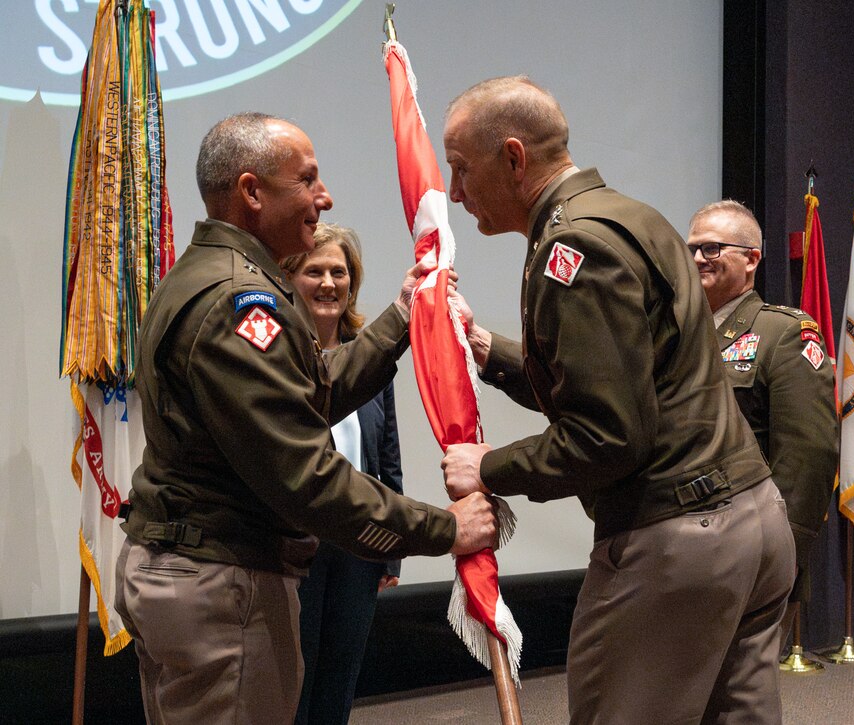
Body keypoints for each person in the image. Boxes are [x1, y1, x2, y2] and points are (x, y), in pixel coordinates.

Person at [115, 112, 498, 725]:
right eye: (308, 180)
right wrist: (444, 529)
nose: (325, 198)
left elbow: (309, 395)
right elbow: (305, 472)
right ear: (251, 192)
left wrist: (401, 317)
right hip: (224, 584)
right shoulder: (239, 305)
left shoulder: (210, 276)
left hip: (200, 570)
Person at [439, 77, 795, 724]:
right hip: (752, 525)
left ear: (514, 159)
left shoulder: (570, 248)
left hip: (677, 539)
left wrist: (487, 468)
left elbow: (608, 434)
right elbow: (634, 376)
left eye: (462, 170)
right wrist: (489, 351)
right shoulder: (632, 216)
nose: (455, 192)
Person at [688, 200, 839, 645]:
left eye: (712, 248)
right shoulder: (679, 337)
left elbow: (808, 457)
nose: (698, 258)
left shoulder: (783, 333)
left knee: (740, 696)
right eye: (692, 248)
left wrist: (782, 559)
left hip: (751, 552)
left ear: (751, 259)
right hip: (685, 550)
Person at [281, 223, 403, 725]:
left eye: (339, 271)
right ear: (291, 280)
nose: (329, 282)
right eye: (315, 271)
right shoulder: (277, 355)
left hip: (359, 545)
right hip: (297, 548)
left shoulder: (369, 354)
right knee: (296, 681)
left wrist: (392, 546)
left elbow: (387, 457)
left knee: (340, 677)